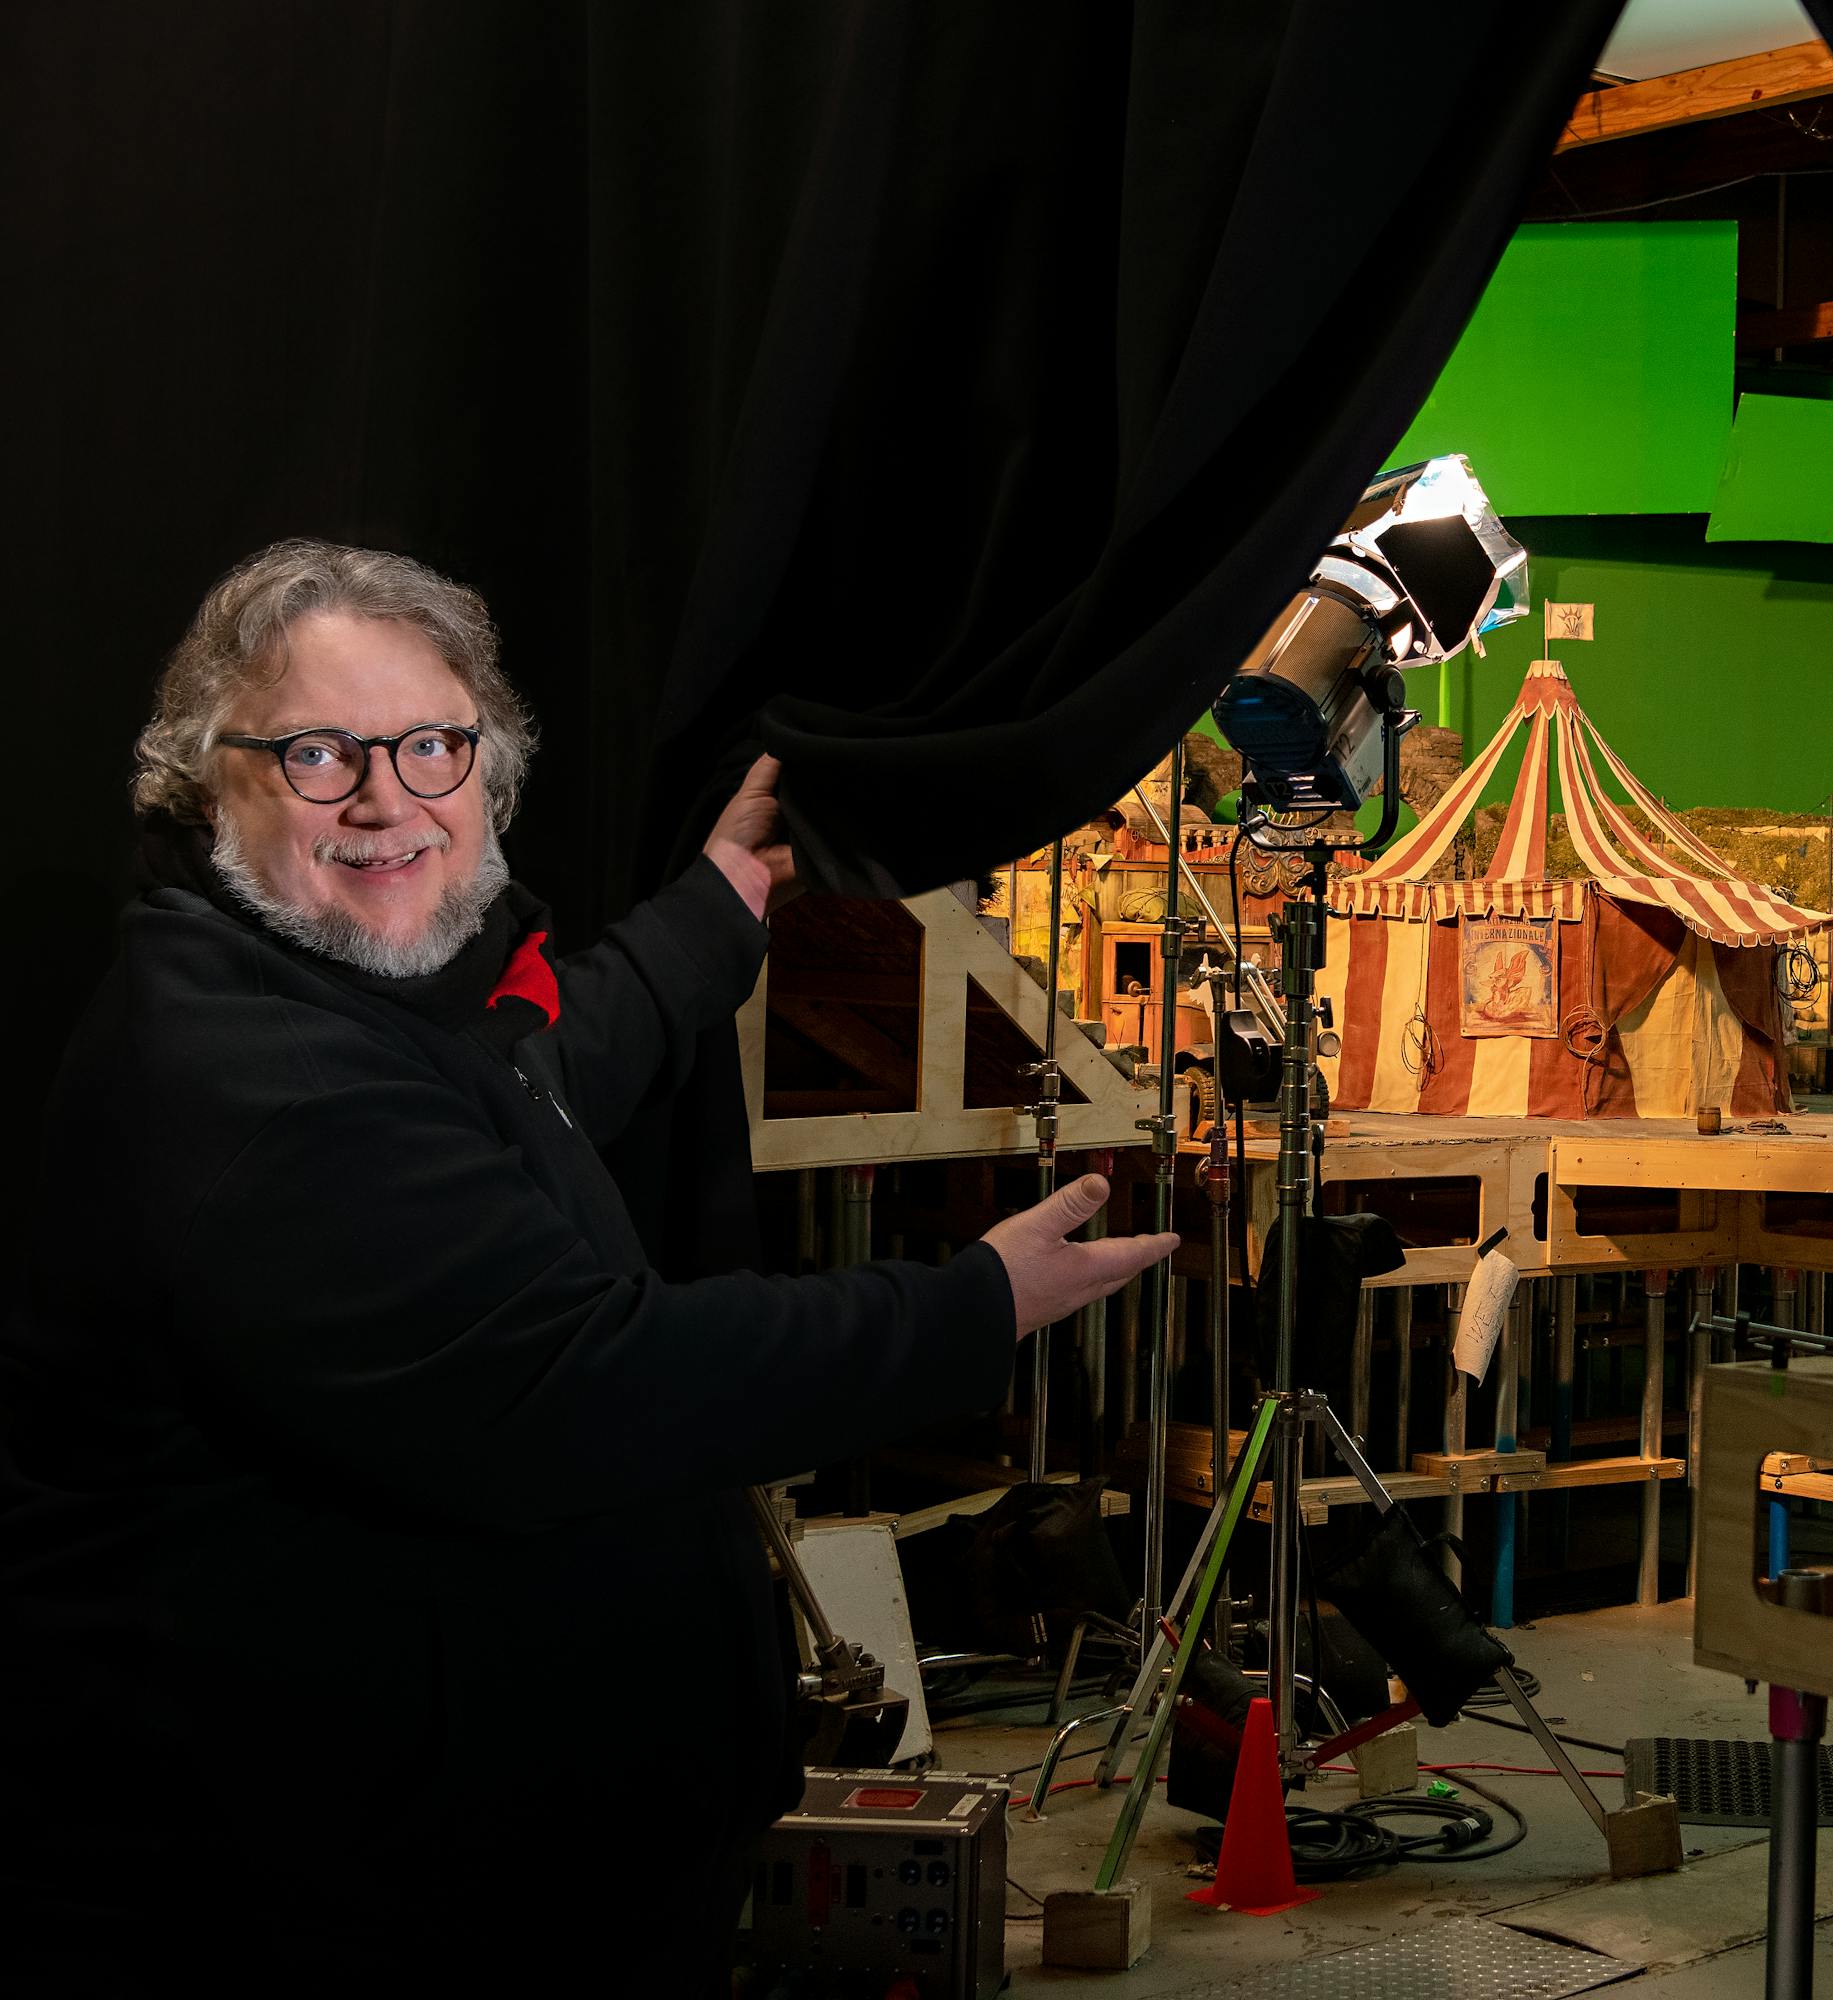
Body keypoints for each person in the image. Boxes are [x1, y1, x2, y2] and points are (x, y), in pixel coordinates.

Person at [0, 540, 1176, 1988]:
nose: (387, 800)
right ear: (204, 780)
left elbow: (536, 1076)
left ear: (489, 766)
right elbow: (587, 1388)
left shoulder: (351, 992)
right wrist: (965, 1308)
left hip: (465, 1859)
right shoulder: (256, 1077)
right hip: (353, 1903)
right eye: (317, 754)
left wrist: (716, 911)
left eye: (433, 746)